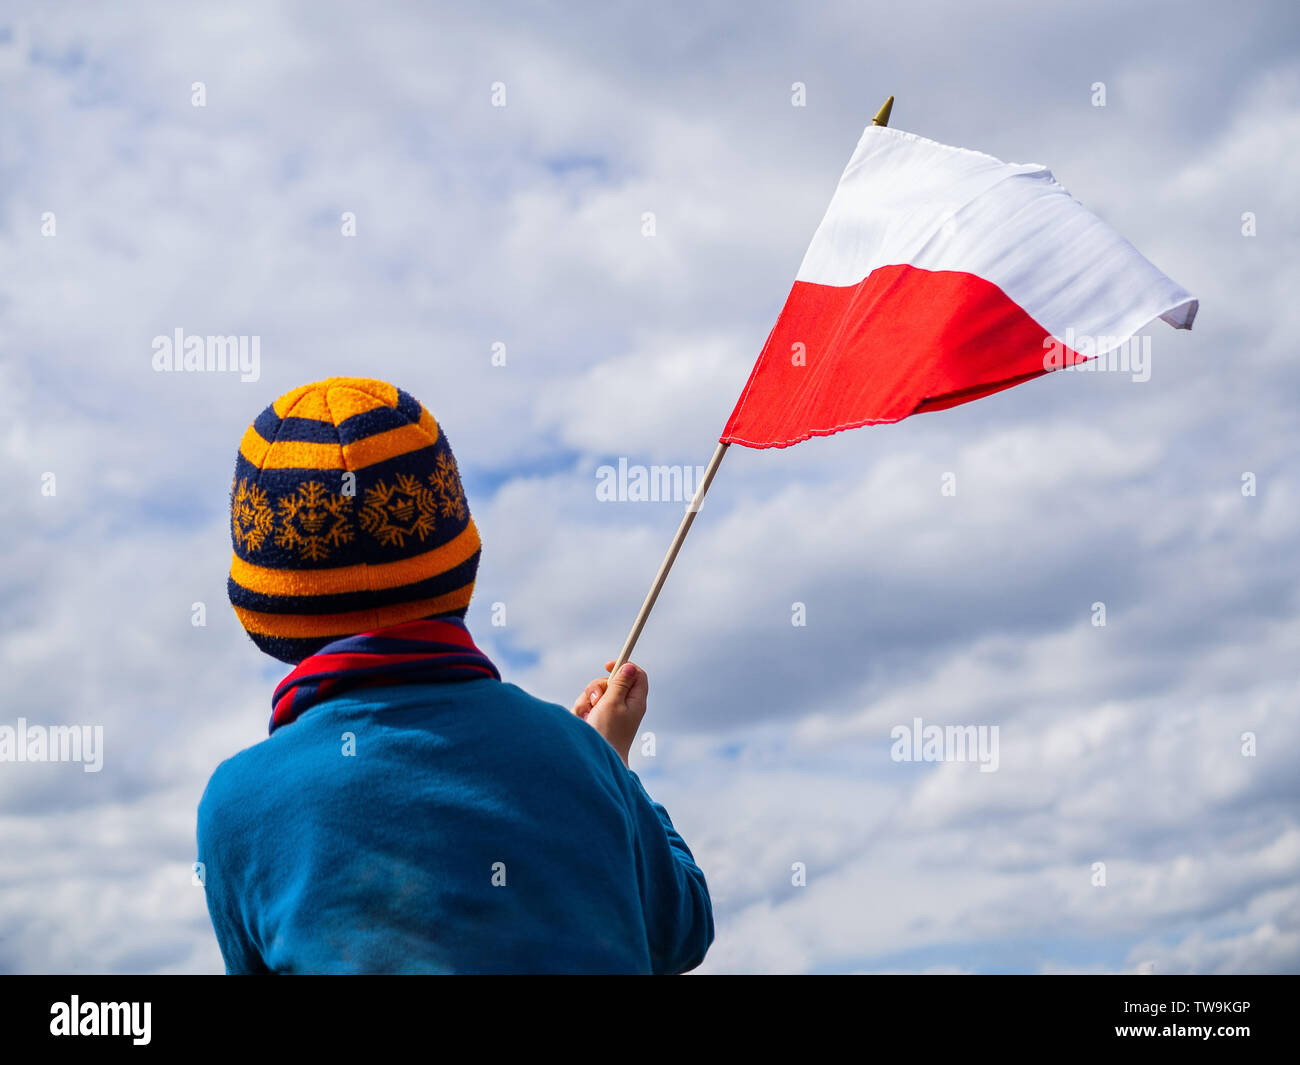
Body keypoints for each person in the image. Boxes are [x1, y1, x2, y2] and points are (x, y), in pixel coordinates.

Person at [197, 376, 714, 974]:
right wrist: (610, 771)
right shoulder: (580, 759)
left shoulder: (238, 806)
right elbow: (682, 931)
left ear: (268, 604)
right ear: (458, 558)